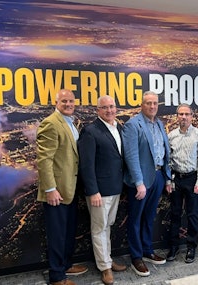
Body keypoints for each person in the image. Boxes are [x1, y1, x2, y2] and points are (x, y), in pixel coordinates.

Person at [36, 89, 88, 285]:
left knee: (67, 231)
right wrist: (50, 189)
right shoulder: (51, 123)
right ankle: (57, 276)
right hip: (57, 191)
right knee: (57, 235)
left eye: (71, 101)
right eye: (64, 101)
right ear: (56, 102)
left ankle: (66, 265)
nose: (68, 104)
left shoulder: (70, 123)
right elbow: (44, 160)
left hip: (70, 188)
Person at [77, 95, 127, 285]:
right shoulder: (90, 131)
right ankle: (105, 267)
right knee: (99, 229)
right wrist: (92, 191)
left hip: (115, 188)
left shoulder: (118, 127)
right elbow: (86, 165)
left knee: (107, 226)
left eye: (112, 106)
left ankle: (107, 259)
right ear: (97, 110)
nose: (109, 110)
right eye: (104, 107)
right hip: (99, 192)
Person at [122, 91, 172, 277]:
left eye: (155, 103)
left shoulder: (159, 124)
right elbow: (131, 156)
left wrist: (167, 178)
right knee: (135, 218)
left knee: (149, 216)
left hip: (158, 177)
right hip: (141, 181)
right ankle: (136, 257)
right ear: (142, 104)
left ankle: (147, 250)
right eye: (148, 103)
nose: (152, 106)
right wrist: (138, 182)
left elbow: (165, 152)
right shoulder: (132, 125)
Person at [166, 104, 198, 263]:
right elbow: (168, 160)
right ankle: (174, 247)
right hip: (176, 179)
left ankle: (191, 247)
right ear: (177, 116)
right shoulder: (171, 136)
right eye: (181, 114)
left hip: (192, 179)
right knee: (175, 214)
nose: (183, 117)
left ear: (192, 116)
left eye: (186, 114)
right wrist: (169, 180)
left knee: (193, 215)